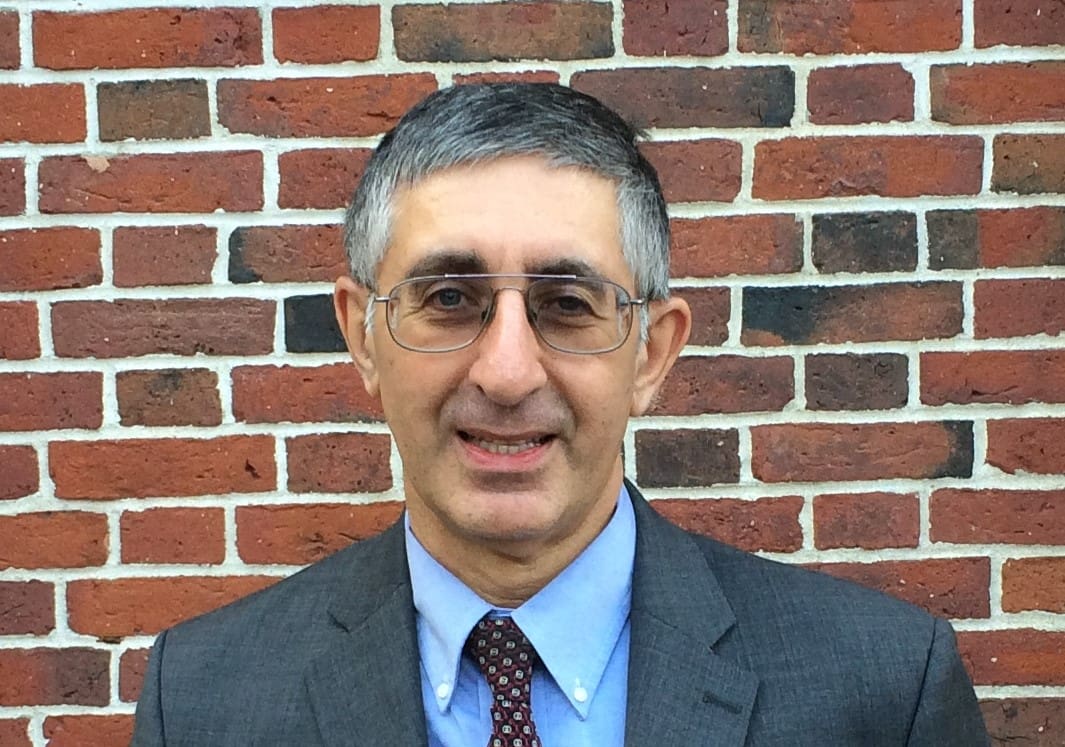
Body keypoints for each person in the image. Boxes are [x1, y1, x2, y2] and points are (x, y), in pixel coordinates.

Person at [131, 83, 989, 746]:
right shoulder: (205, 699)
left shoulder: (879, 692)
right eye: (451, 297)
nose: (506, 372)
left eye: (569, 304)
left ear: (650, 353)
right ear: (363, 336)